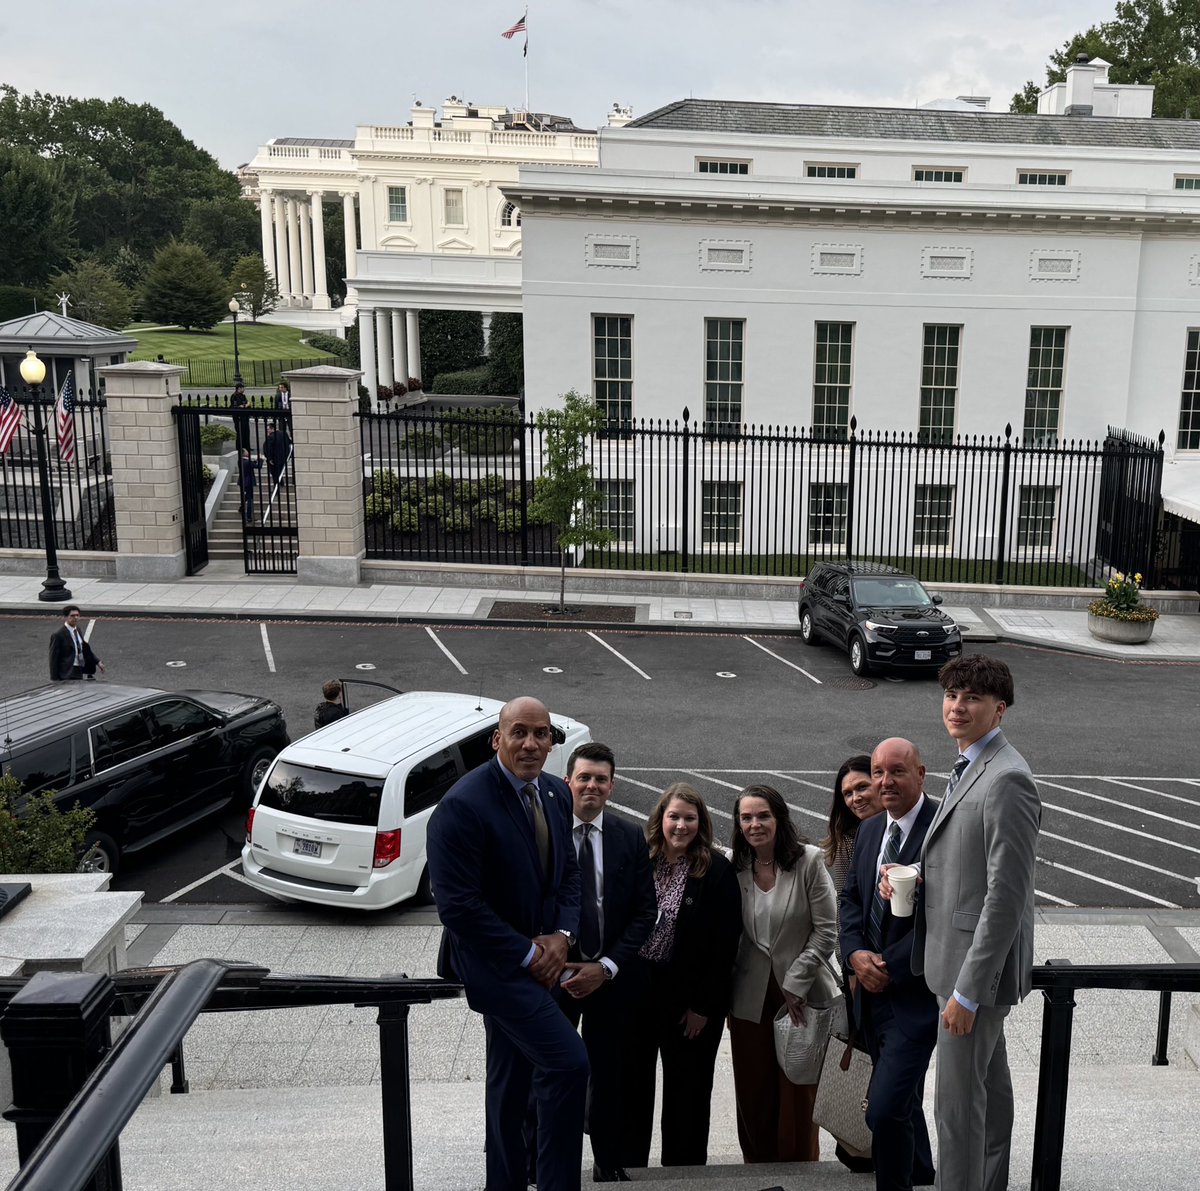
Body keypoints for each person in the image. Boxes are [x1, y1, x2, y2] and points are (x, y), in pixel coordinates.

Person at [884, 655, 1041, 1191]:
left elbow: (1007, 897)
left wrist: (968, 994)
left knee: (955, 1113)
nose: (957, 706)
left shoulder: (1007, 779)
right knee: (990, 1104)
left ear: (999, 709)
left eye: (972, 697)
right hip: (953, 966)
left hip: (970, 978)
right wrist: (915, 880)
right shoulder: (970, 765)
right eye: (952, 695)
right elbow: (968, 869)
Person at [426, 696, 588, 1191]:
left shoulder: (558, 796)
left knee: (509, 1085)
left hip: (547, 964)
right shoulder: (462, 805)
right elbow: (458, 908)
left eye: (541, 734)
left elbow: (569, 878)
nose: (531, 743)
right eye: (519, 732)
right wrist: (529, 953)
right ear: (497, 739)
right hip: (500, 971)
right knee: (569, 1063)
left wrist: (562, 937)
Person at [625, 783, 741, 1169]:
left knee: (687, 1094)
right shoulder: (640, 859)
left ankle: (684, 1173)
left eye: (689, 818)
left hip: (690, 1002)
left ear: (701, 822)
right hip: (639, 995)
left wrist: (704, 1007)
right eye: (673, 816)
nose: (680, 825)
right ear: (660, 819)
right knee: (632, 1089)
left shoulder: (717, 870)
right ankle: (629, 1166)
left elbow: (725, 947)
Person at [841, 738, 939, 1191]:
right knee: (899, 1104)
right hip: (869, 997)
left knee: (882, 1109)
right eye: (878, 772)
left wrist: (886, 964)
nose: (885, 781)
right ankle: (914, 1172)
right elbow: (852, 900)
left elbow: (951, 916)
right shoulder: (869, 829)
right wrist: (855, 955)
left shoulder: (943, 829)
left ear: (921, 774)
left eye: (897, 771)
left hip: (914, 999)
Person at [556, 742, 657, 1183]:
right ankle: (548, 1160)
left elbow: (645, 912)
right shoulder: (546, 832)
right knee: (554, 1070)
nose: (592, 786)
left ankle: (607, 1160)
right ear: (568, 782)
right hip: (553, 977)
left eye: (601, 779)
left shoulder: (628, 835)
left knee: (609, 1075)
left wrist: (607, 967)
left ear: (612, 786)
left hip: (609, 978)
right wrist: (558, 964)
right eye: (584, 777)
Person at [728, 783, 839, 1164]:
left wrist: (797, 980)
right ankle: (757, 1170)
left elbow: (827, 929)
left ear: (779, 819)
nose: (755, 824)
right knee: (754, 1090)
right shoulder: (736, 866)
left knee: (797, 1091)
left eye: (763, 816)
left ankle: (798, 1172)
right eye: (747, 817)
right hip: (750, 995)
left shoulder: (808, 861)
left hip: (802, 992)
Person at [48, 606, 104, 681]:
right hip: (67, 673)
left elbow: (84, 648)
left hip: (79, 669)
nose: (76, 618)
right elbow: (53, 659)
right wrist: (54, 680)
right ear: (66, 617)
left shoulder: (77, 630)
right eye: (72, 616)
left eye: (77, 615)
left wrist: (97, 661)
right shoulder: (58, 635)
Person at [264, 422, 292, 488]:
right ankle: (281, 482)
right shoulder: (284, 434)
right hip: (283, 458)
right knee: (280, 471)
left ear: (272, 429)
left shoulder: (271, 437)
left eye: (268, 429)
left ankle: (277, 487)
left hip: (274, 459)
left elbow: (268, 448)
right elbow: (289, 442)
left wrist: (270, 458)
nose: (267, 431)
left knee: (274, 473)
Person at [239, 449, 261, 524]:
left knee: (247, 495)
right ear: (244, 453)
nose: (247, 452)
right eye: (246, 451)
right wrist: (260, 459)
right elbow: (258, 466)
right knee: (250, 499)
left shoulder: (241, 461)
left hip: (242, 481)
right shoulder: (248, 462)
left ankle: (242, 507)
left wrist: (254, 461)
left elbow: (251, 465)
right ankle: (249, 517)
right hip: (249, 481)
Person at [229, 383, 250, 452]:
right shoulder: (234, 396)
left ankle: (246, 447)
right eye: (242, 388)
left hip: (245, 416)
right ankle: (239, 447)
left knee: (246, 431)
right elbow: (238, 406)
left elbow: (247, 403)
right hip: (238, 417)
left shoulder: (243, 396)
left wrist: (246, 405)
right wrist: (245, 405)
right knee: (240, 432)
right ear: (239, 388)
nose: (244, 389)